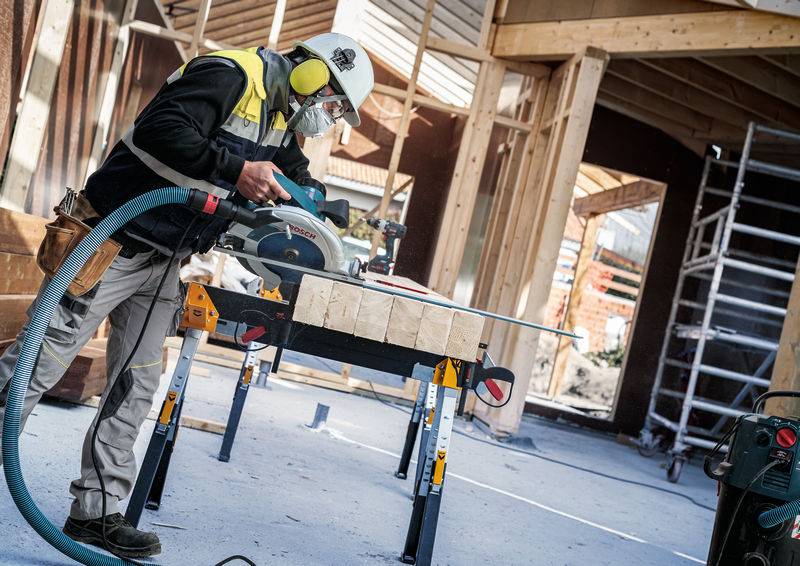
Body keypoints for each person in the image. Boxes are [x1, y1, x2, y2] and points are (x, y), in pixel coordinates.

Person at [0, 32, 373, 558]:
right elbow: (160, 130)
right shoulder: (230, 75)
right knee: (39, 363)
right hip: (114, 242)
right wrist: (235, 171)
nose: (330, 116)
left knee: (136, 384)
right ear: (312, 75)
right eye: (334, 103)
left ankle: (96, 512)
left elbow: (290, 171)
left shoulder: (282, 113)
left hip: (166, 259)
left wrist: (318, 207)